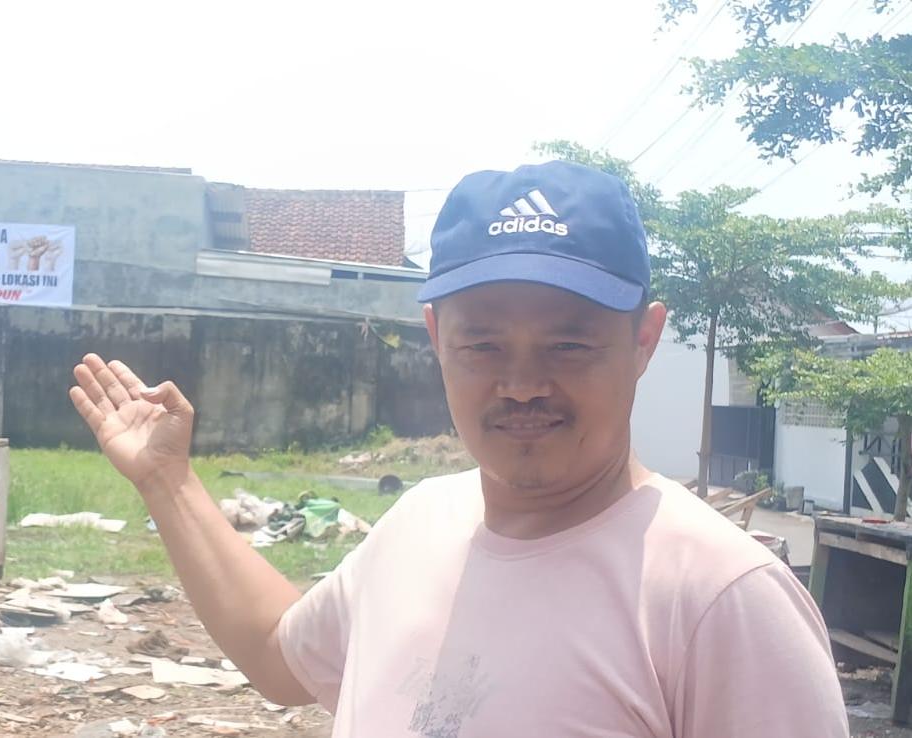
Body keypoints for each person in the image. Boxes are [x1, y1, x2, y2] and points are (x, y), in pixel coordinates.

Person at [68, 160, 848, 737]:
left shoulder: (719, 599)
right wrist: (169, 482)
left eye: (569, 344)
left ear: (644, 340)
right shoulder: (420, 522)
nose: (522, 385)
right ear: (437, 339)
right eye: (483, 345)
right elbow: (280, 655)